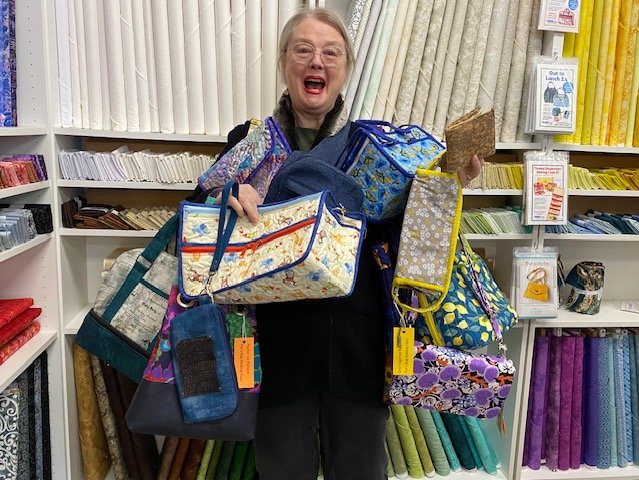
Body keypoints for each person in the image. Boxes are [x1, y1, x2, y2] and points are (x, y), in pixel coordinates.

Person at [192, 8, 483, 479]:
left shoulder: (376, 148)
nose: (317, 62)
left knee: (361, 469)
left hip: (357, 345)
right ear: (284, 62)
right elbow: (197, 224)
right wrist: (225, 198)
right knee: (282, 470)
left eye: (331, 53)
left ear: (346, 68)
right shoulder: (250, 144)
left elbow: (411, 239)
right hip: (275, 348)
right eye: (303, 50)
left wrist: (450, 185)